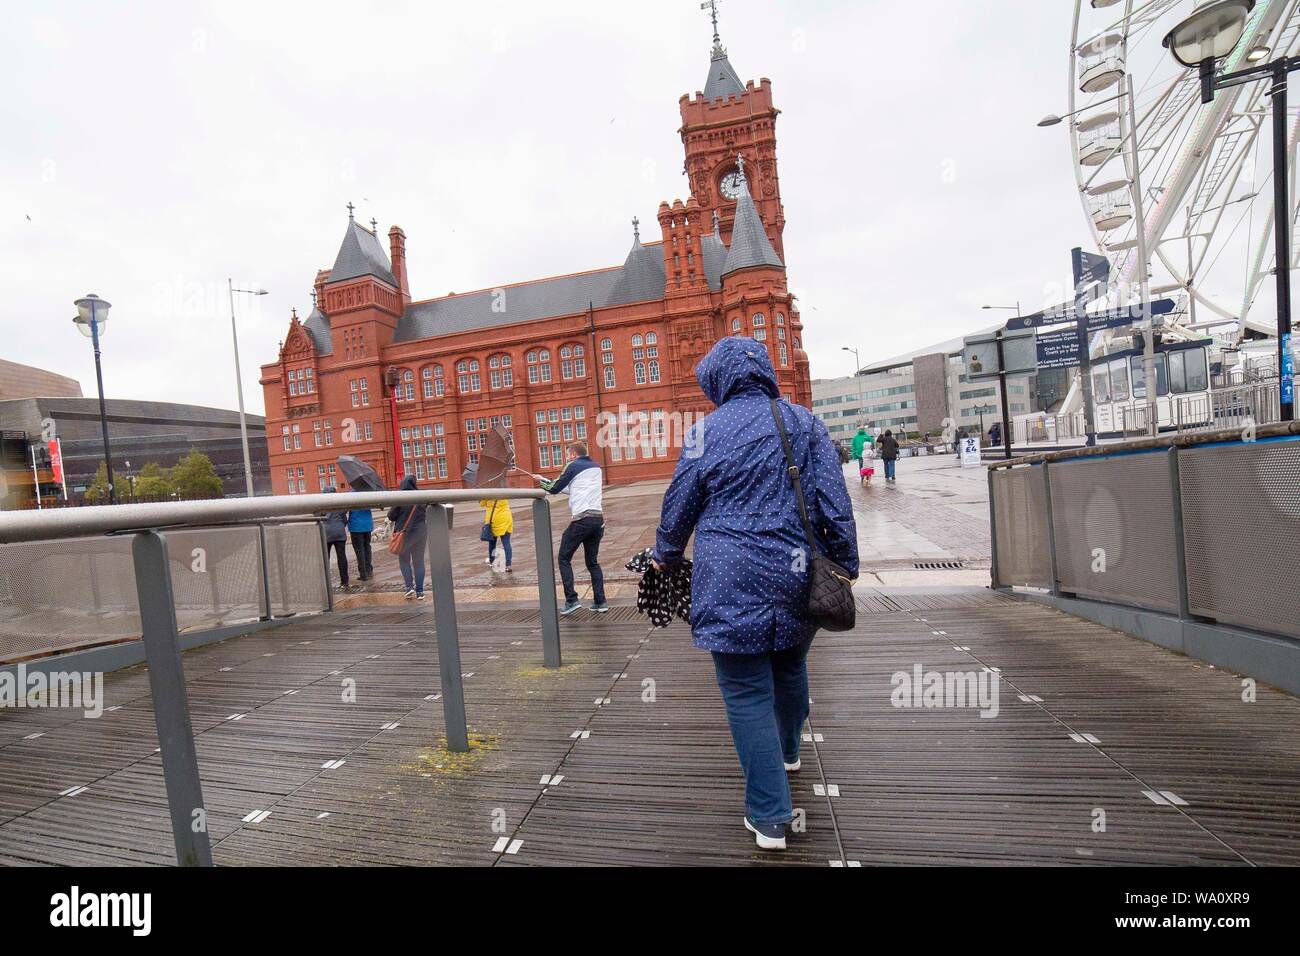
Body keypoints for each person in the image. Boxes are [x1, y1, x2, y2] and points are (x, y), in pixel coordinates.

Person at [653, 337, 858, 851]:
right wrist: (844, 566)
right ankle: (788, 750)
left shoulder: (705, 431)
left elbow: (679, 505)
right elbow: (835, 502)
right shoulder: (803, 422)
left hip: (727, 578)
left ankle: (769, 818)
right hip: (796, 574)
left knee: (746, 690)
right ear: (765, 372)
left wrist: (667, 553)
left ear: (718, 380)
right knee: (789, 666)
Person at [540, 441, 607, 615]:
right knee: (592, 562)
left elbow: (554, 488)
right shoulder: (595, 467)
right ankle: (601, 602)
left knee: (563, 558)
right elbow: (572, 489)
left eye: (567, 455)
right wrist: (544, 480)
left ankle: (572, 600)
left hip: (581, 519)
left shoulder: (573, 465)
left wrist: (541, 481)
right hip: (598, 519)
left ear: (573, 455)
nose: (566, 459)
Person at [386, 473, 427, 601]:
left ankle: (409, 587)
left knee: (404, 561)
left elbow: (391, 516)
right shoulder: (421, 498)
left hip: (403, 534)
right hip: (420, 533)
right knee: (419, 562)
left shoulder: (400, 498)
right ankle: (420, 592)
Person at [322, 487, 349, 589]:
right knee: (341, 557)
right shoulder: (340, 504)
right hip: (339, 533)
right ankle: (345, 581)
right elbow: (344, 519)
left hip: (326, 533)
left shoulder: (321, 504)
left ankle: (326, 581)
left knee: (326, 558)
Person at [479, 496, 514, 572]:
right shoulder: (503, 490)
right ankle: (508, 565)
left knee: (492, 542)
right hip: (506, 518)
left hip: (493, 520)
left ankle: (491, 561)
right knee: (506, 542)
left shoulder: (487, 492)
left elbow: (482, 503)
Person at [347, 501, 374, 582]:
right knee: (367, 547)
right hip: (367, 525)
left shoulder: (350, 494)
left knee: (359, 550)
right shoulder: (367, 493)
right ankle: (368, 569)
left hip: (356, 526)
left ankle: (363, 574)